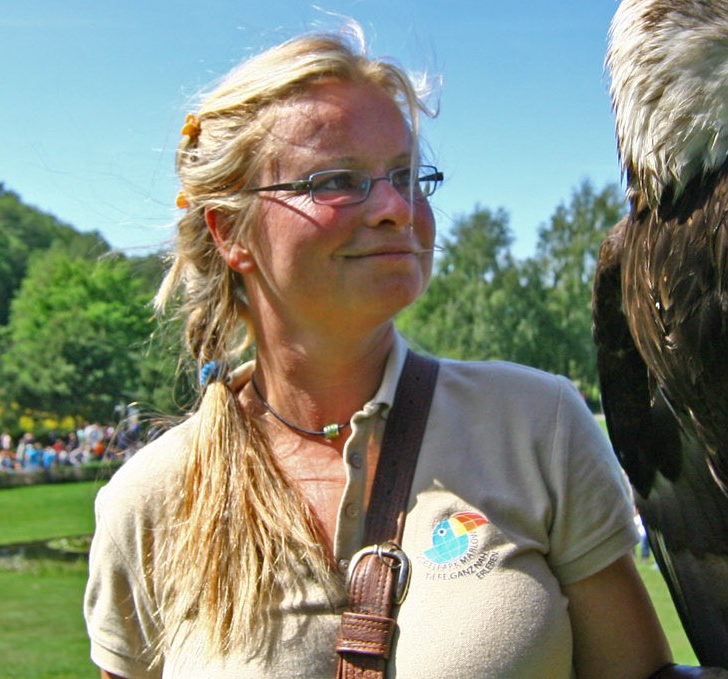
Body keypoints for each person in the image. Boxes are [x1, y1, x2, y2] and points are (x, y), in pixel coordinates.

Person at [82, 26, 671, 678]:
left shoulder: (540, 426)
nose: (395, 207)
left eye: (405, 174)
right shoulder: (150, 501)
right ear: (230, 232)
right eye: (336, 179)